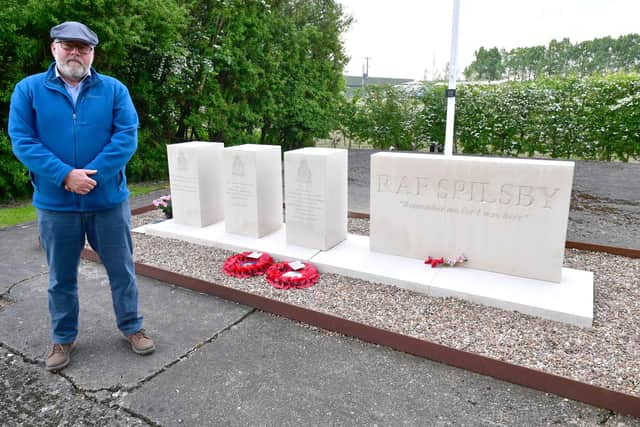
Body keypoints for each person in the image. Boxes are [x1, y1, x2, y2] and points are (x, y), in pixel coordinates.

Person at [8, 21, 155, 371]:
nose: (76, 52)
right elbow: (23, 140)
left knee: (122, 270)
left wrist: (93, 176)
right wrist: (65, 176)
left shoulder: (114, 90)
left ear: (92, 53)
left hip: (108, 202)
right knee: (61, 277)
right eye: (68, 45)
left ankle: (132, 327)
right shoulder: (28, 90)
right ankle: (63, 338)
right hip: (56, 205)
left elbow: (126, 137)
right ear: (54, 48)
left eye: (83, 47)